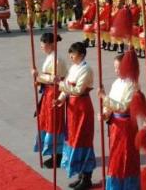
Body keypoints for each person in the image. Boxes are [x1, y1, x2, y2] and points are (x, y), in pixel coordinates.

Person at [55, 42, 96, 189]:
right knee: (73, 138)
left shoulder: (86, 70)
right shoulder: (73, 68)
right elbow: (67, 86)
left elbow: (78, 90)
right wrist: (59, 99)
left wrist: (60, 84)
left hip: (82, 106)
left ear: (82, 55)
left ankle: (87, 177)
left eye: (74, 54)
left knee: (83, 139)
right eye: (70, 54)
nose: (71, 56)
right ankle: (80, 175)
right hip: (72, 107)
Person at [97, 54, 140, 190]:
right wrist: (105, 113)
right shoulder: (116, 83)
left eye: (118, 67)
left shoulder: (133, 84)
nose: (116, 70)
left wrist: (104, 97)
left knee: (125, 157)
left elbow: (123, 106)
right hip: (115, 124)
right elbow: (110, 103)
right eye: (115, 67)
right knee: (115, 157)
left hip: (126, 126)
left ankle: (127, 186)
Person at [31, 33, 68, 168]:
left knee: (54, 122)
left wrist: (38, 77)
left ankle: (57, 155)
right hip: (49, 92)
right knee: (47, 121)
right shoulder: (51, 57)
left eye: (44, 44)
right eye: (41, 44)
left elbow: (55, 79)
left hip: (55, 93)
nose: (42, 47)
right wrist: (40, 82)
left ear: (52, 44)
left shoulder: (57, 59)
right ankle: (52, 153)